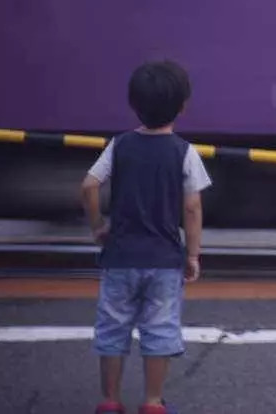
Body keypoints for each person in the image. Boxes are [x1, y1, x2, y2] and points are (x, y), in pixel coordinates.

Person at [81, 60, 212, 414]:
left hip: (120, 258)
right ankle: (153, 402)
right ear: (183, 105)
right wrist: (193, 255)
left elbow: (90, 185)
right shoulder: (185, 152)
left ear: (132, 103)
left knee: (112, 328)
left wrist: (98, 227)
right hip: (164, 262)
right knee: (159, 331)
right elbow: (192, 209)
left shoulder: (119, 145)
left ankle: (110, 400)